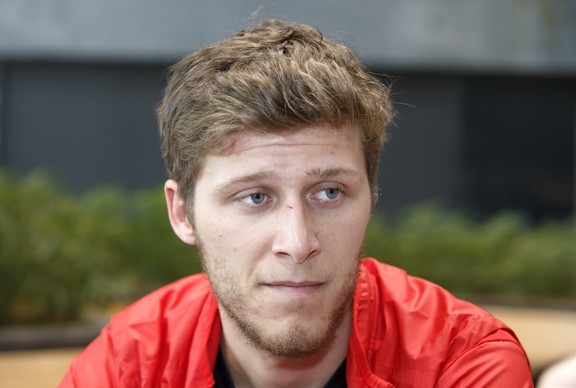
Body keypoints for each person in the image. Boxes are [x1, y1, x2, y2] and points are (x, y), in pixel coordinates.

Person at [60, 19, 533, 387]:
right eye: (255, 196)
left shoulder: (461, 363)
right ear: (182, 213)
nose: (297, 241)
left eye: (329, 193)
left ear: (371, 196)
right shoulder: (131, 364)